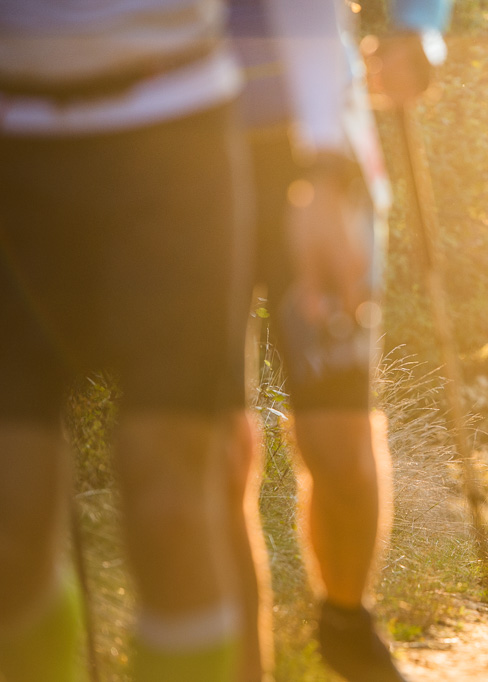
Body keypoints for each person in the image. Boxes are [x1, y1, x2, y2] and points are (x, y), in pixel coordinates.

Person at [0, 2, 255, 680]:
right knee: (10, 530)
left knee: (170, 500)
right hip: (12, 148)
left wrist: (327, 160)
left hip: (178, 135)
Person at [226, 0, 450, 680]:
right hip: (188, 144)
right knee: (215, 451)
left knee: (341, 444)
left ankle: (347, 624)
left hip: (329, 141)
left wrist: (420, 27)